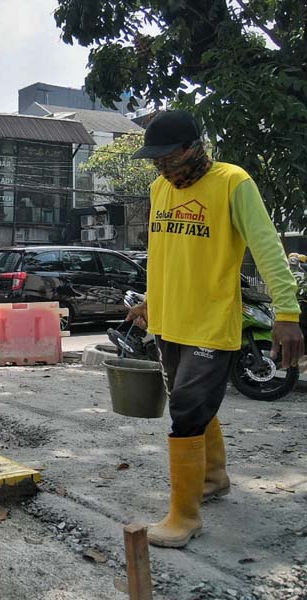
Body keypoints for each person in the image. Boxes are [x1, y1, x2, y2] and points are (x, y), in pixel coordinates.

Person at [128, 110, 303, 548]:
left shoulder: (233, 182)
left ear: (192, 148)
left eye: (168, 158)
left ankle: (184, 517)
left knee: (186, 408)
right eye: (156, 160)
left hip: (212, 322)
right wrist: (151, 300)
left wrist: (287, 313)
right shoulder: (159, 189)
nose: (161, 167)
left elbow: (266, 247)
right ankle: (213, 478)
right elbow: (162, 252)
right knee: (190, 402)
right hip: (169, 320)